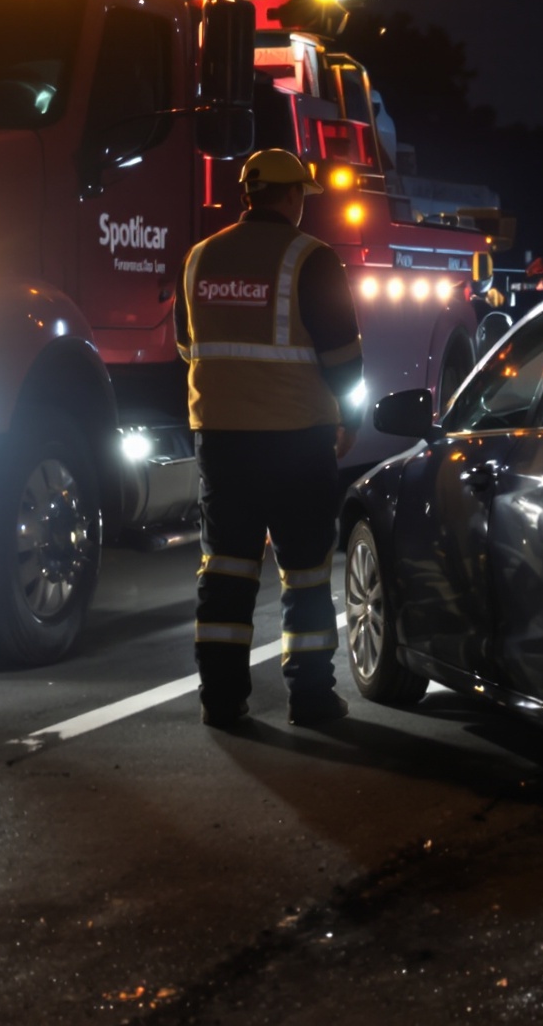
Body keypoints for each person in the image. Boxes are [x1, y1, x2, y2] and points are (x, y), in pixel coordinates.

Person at [177, 147, 365, 728]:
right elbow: (342, 356)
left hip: (222, 440)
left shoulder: (200, 258)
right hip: (295, 439)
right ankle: (309, 699)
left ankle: (221, 699)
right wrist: (348, 417)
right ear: (291, 196)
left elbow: (188, 348)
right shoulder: (312, 258)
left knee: (226, 569)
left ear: (246, 196)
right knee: (306, 571)